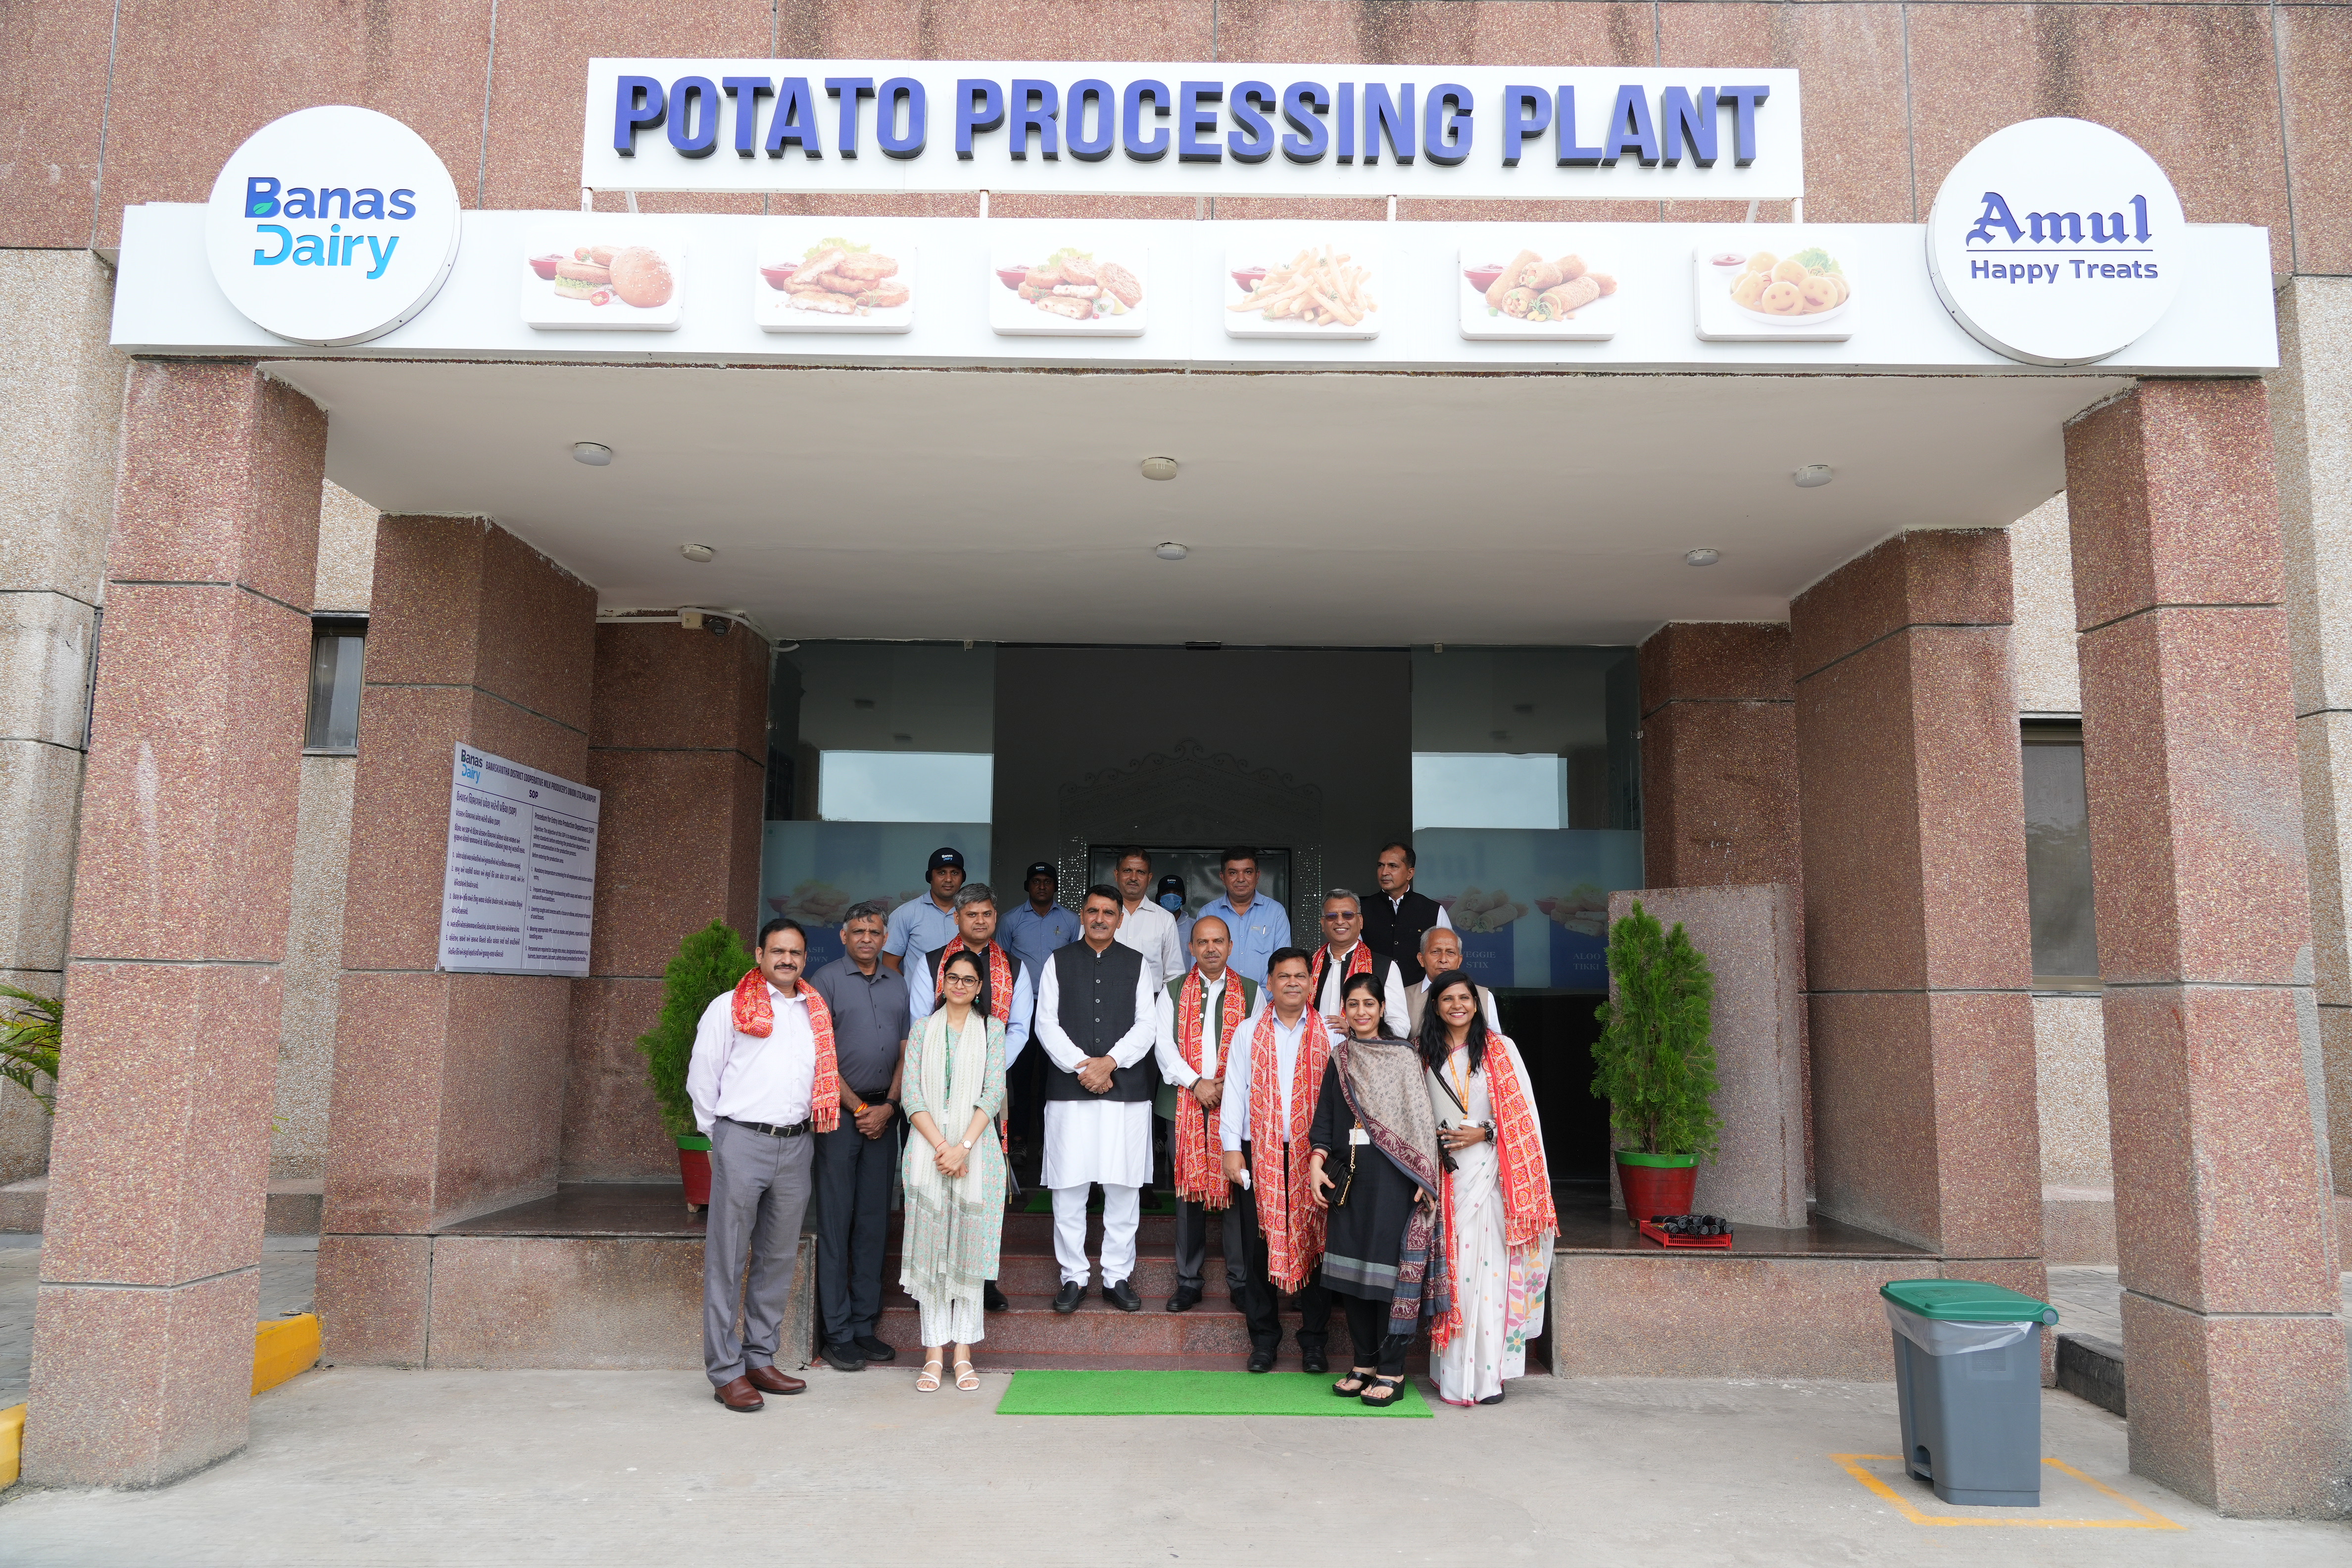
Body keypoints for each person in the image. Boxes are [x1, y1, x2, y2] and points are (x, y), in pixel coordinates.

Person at [687, 918, 838, 1412]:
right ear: (760, 955)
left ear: (804, 958)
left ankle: (759, 1358)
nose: (787, 960)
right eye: (778, 951)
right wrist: (721, 1138)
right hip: (742, 1141)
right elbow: (702, 1077)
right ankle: (725, 1371)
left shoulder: (813, 1010)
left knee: (777, 1258)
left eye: (795, 953)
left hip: (796, 1145)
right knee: (728, 1260)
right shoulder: (729, 1007)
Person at [1420, 969, 1558, 1406]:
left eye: (1464, 998)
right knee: (1456, 1276)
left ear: (1476, 1004)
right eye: (1447, 999)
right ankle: (1453, 1376)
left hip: (1494, 1176)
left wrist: (1484, 1133)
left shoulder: (1501, 1049)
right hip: (1446, 1177)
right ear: (1436, 1006)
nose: (1457, 1005)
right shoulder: (1424, 1053)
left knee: (1492, 1275)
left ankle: (1488, 1379)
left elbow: (1524, 1116)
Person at [1310, 971, 1446, 1407]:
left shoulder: (1402, 1056)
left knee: (1388, 1277)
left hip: (1394, 1181)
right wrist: (1316, 1163)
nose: (1361, 1012)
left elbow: (1420, 1118)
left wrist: (1425, 1178)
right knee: (1352, 1277)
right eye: (1353, 1005)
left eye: (1369, 1004)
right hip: (1350, 1178)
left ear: (1383, 1008)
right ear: (1344, 1010)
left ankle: (1392, 1371)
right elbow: (1326, 1116)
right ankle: (1363, 1364)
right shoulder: (1340, 1057)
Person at [905, 882, 1034, 1313]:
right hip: (934, 1087)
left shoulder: (1015, 967)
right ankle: (934, 1279)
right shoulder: (930, 963)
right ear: (957, 918)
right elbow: (919, 1019)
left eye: (987, 914)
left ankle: (982, 1281)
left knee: (982, 1186)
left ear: (996, 917)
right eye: (971, 914)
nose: (980, 921)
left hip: (989, 1090)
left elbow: (1020, 1028)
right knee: (938, 1183)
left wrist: (985, 1067)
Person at [1035, 884, 1161, 1314]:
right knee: (1069, 1187)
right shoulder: (1058, 961)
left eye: (1109, 912)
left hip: (1126, 1091)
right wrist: (1083, 1067)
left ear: (1120, 919)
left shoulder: (1137, 963)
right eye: (1093, 911)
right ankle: (1073, 1276)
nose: (1100, 918)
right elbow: (1046, 1024)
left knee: (1123, 1187)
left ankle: (1116, 1276)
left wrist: (1109, 1062)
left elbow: (1148, 1025)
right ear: (1082, 916)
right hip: (1069, 1092)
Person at [804, 900, 910, 1373]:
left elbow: (907, 1050)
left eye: (875, 932)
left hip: (884, 1116)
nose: (867, 939)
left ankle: (865, 1325)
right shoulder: (825, 981)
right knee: (837, 1221)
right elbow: (821, 1057)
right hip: (841, 1118)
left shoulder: (897, 983)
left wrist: (889, 1105)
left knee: (873, 1222)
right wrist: (862, 1109)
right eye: (859, 932)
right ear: (844, 936)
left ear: (885, 938)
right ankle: (838, 1333)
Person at [1221, 948, 1337, 1373]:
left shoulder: (1331, 1034)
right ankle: (1264, 1341)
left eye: (1300, 976)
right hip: (1261, 1153)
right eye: (1283, 976)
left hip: (1316, 1155)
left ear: (1311, 983)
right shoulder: (1248, 1031)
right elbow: (1235, 1091)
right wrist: (1231, 1148)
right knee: (1258, 1245)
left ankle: (1314, 1343)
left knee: (1318, 1245)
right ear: (1269, 983)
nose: (1292, 983)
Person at [899, 948, 1009, 1393]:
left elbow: (993, 1092)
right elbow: (911, 1095)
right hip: (928, 1152)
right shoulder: (922, 1030)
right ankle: (933, 1353)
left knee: (968, 1253)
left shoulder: (992, 1030)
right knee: (931, 1253)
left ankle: (963, 1353)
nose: (960, 985)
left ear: (980, 987)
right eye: (953, 978)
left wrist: (963, 1148)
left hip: (977, 1155)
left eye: (969, 980)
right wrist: (943, 1148)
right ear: (942, 982)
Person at [1152, 914, 1256, 1313]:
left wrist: (1227, 1088)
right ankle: (1189, 1281)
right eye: (1202, 942)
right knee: (1187, 1194)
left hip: (1236, 1105)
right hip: (1183, 1104)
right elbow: (1163, 1045)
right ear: (1191, 948)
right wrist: (1196, 1083)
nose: (1211, 948)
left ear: (1230, 946)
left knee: (1237, 1189)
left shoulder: (1252, 991)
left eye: (1218, 941)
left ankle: (1241, 1282)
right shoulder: (1173, 990)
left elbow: (1257, 1047)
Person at [1000, 861, 1080, 1171]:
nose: (1042, 886)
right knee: (1020, 1077)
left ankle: (1050, 1142)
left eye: (1048, 881)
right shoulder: (1010, 920)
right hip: (1021, 1009)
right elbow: (1001, 964)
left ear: (1055, 886)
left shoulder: (1071, 920)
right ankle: (1019, 1140)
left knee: (1054, 1075)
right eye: (1036, 881)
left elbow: (1076, 961)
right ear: (1028, 886)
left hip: (1058, 1010)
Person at [1310, 889, 1409, 1038]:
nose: (1340, 921)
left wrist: (1355, 1032)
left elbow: (1400, 1026)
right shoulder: (1307, 966)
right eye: (1332, 916)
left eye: (1348, 915)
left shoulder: (1384, 967)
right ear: (1323, 924)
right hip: (1310, 1051)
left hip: (1364, 1051)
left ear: (1360, 921)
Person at [1195, 847, 1292, 984]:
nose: (1241, 879)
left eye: (1248, 872)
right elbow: (1198, 965)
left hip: (1265, 996)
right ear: (1223, 877)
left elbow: (1285, 964)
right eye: (1233, 873)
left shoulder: (1276, 912)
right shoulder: (1207, 914)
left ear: (1257, 876)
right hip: (1219, 996)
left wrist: (1262, 996)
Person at [1363, 840, 1451, 987]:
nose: (1384, 872)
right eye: (1381, 865)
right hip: (1373, 995)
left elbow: (1448, 958)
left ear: (1410, 873)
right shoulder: (1362, 910)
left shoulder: (1433, 910)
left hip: (1420, 995)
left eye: (1393, 866)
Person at [1403, 926, 1501, 1035]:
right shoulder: (1404, 997)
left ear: (1460, 960)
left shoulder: (1484, 996)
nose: (1443, 960)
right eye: (1436, 952)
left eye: (1450, 952)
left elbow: (1496, 1042)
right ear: (1421, 959)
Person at [883, 846, 966, 975]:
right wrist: (910, 988)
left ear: (963, 877)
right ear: (930, 877)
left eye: (955, 873)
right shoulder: (906, 914)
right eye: (942, 873)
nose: (949, 879)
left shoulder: (973, 915)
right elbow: (889, 966)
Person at [1111, 848, 1185, 986]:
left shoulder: (1165, 919)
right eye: (1127, 871)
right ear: (1117, 875)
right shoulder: (1098, 916)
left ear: (1149, 878)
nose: (1133, 878)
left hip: (1153, 999)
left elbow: (1174, 974)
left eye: (1141, 872)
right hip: (1106, 998)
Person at [1157, 872, 1194, 949]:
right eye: (1165, 892)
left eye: (1177, 893)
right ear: (1159, 897)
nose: (1172, 898)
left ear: (1183, 897)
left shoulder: (1194, 926)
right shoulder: (1151, 924)